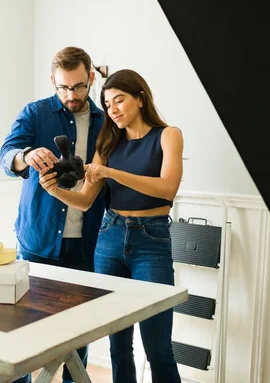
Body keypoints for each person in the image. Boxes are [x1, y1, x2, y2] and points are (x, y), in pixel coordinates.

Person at [38, 68, 183, 383]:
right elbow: (86, 200)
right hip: (110, 239)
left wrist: (112, 173)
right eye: (107, 104)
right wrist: (54, 190)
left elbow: (167, 188)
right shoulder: (107, 142)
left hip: (151, 242)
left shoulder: (168, 135)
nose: (113, 110)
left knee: (158, 348)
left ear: (140, 99)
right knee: (118, 345)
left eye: (120, 100)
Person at [0, 46, 108, 383]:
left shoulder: (106, 122)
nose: (71, 95)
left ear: (90, 78)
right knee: (25, 332)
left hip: (86, 243)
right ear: (53, 81)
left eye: (78, 86)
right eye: (63, 87)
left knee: (78, 335)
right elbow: (6, 155)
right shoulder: (35, 113)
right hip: (38, 239)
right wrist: (27, 155)